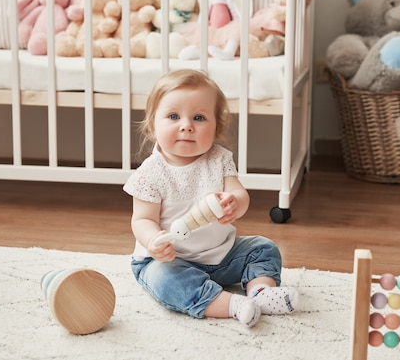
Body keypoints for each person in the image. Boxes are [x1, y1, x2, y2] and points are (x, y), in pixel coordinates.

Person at [123, 69, 299, 328]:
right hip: (171, 260)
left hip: (222, 256)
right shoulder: (150, 173)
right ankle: (230, 304)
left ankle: (260, 292)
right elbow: (142, 220)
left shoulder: (219, 159)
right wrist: (152, 240)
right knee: (164, 280)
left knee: (263, 247)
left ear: (217, 128)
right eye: (173, 116)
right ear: (152, 126)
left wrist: (235, 203)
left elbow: (239, 194)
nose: (186, 125)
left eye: (199, 117)